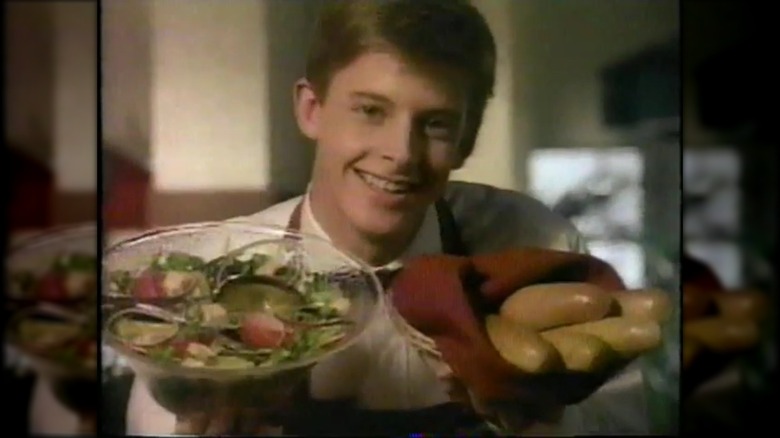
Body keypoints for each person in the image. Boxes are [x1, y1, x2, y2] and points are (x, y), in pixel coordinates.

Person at [126, 0, 652, 434]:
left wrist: (545, 417)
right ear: (312, 110)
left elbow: (632, 417)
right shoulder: (212, 271)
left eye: (437, 124)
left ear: (467, 139)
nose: (402, 152)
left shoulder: (538, 243)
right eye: (371, 110)